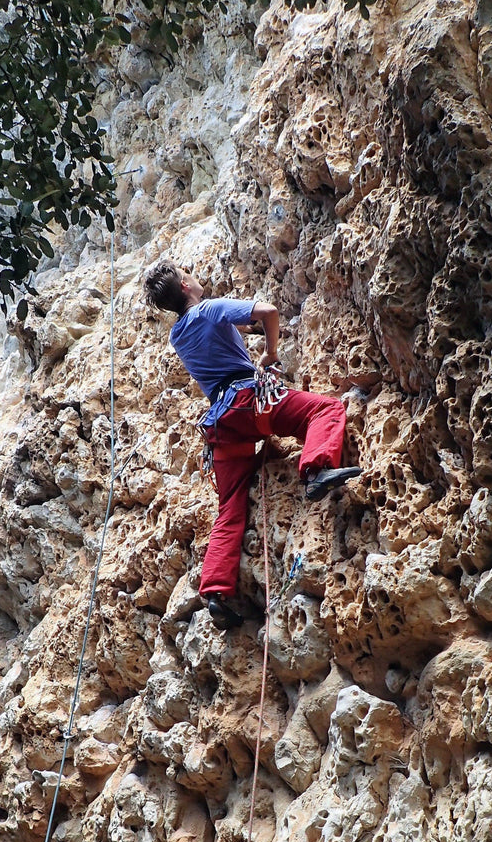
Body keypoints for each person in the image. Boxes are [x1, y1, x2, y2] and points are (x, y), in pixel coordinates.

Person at [143, 260, 361, 630]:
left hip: (222, 427)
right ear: (184, 284)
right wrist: (271, 352)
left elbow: (224, 333)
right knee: (326, 409)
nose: (196, 278)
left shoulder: (178, 335)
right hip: (250, 403)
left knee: (230, 507)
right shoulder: (209, 308)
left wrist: (241, 329)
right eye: (189, 274)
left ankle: (214, 592)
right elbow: (269, 312)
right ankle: (317, 471)